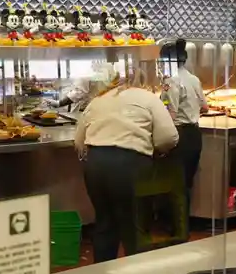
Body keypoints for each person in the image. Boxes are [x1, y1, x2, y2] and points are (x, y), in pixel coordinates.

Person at [74, 70, 179, 262]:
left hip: (96, 166)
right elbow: (168, 137)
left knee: (105, 223)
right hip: (132, 165)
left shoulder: (98, 100)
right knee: (135, 227)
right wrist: (157, 151)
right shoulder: (149, 98)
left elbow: (79, 141)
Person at [163, 39, 208, 212]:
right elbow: (205, 107)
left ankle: (177, 229)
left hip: (179, 136)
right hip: (195, 136)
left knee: (175, 183)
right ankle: (184, 225)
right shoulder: (193, 78)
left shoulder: (169, 81)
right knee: (186, 181)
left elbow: (170, 114)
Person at [50, 62, 117, 114]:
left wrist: (59, 103)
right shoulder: (107, 67)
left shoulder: (87, 73)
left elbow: (78, 93)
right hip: (104, 108)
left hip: (89, 110)